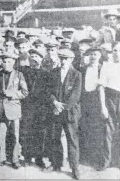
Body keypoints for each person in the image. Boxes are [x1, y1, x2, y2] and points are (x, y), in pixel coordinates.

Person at [45, 49, 82, 180]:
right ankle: (55, 164)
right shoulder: (53, 73)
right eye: (61, 58)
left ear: (71, 59)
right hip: (55, 110)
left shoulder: (77, 74)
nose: (63, 61)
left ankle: (75, 168)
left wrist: (62, 107)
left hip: (70, 113)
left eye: (66, 58)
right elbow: (48, 90)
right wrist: (54, 102)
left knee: (72, 140)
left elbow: (75, 96)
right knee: (54, 138)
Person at [0, 51, 28, 169]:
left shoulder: (19, 75)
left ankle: (15, 159)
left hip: (14, 110)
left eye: (9, 62)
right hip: (0, 109)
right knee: (1, 135)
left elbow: (25, 92)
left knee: (15, 135)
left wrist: (12, 94)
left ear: (13, 63)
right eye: (4, 61)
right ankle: (1, 158)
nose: (6, 64)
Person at [19, 49, 49, 169]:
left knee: (40, 132)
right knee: (26, 131)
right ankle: (26, 157)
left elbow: (48, 91)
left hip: (41, 107)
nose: (34, 59)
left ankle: (38, 158)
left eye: (36, 57)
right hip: (27, 106)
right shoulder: (24, 71)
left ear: (41, 59)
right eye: (32, 57)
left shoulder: (46, 73)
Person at [97, 41, 120, 171]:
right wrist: (103, 106)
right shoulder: (107, 66)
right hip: (110, 99)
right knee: (107, 131)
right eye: (115, 50)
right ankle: (106, 161)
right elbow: (101, 87)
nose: (118, 53)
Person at [79, 47, 103, 167]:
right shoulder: (83, 69)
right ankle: (83, 157)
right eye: (91, 55)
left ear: (99, 56)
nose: (93, 57)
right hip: (84, 101)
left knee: (96, 130)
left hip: (96, 102)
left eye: (95, 54)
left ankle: (95, 158)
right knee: (83, 128)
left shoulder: (102, 69)